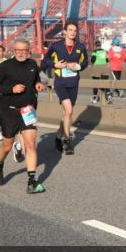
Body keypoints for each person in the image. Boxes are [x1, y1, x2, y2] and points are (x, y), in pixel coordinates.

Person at [0, 38, 47, 193]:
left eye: (24, 50)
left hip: (27, 110)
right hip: (9, 110)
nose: (21, 53)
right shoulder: (5, 66)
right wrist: (11, 89)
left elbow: (36, 80)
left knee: (31, 144)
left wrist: (38, 84)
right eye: (18, 50)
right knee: (7, 145)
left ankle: (31, 182)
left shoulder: (32, 64)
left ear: (29, 51)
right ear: (13, 51)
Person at [41, 21, 89, 155]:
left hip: (74, 83)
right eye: (70, 30)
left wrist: (79, 66)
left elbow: (86, 61)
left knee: (67, 113)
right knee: (69, 110)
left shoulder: (80, 46)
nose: (73, 32)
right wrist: (55, 65)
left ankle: (58, 137)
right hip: (61, 83)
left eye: (75, 30)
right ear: (65, 31)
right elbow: (45, 60)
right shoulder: (56, 46)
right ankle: (67, 141)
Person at [91, 40, 109, 104]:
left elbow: (93, 59)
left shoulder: (94, 52)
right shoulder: (104, 51)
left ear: (95, 45)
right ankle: (107, 97)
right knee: (105, 82)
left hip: (97, 67)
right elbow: (107, 60)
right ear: (100, 45)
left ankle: (95, 98)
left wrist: (92, 64)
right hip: (104, 67)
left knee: (95, 83)